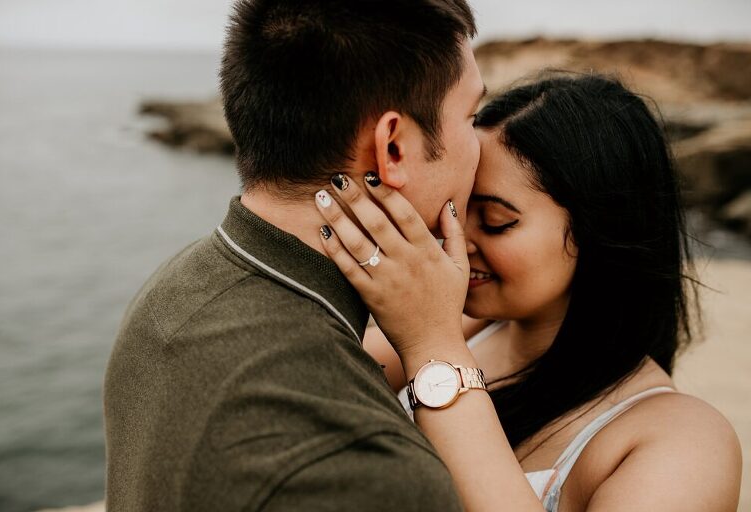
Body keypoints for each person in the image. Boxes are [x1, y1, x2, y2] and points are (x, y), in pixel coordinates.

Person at [103, 1, 486, 511]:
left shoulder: (170, 291)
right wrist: (437, 347)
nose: (482, 145)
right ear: (393, 148)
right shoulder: (368, 472)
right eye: (473, 117)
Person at [315, 73, 743, 511]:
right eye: (454, 210)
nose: (455, 240)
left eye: (496, 221)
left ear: (601, 231)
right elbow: (315, 381)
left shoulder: (686, 445)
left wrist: (435, 352)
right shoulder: (467, 327)